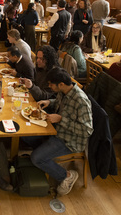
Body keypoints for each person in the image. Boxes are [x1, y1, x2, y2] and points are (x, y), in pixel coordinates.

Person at [25, 67, 93, 196]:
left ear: (61, 84)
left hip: (69, 140)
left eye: (51, 84)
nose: (49, 86)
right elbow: (60, 102)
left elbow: (87, 130)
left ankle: (67, 176)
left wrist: (61, 119)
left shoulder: (81, 101)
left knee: (36, 158)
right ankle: (46, 154)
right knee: (27, 136)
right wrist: (48, 102)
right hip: (56, 131)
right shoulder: (65, 91)